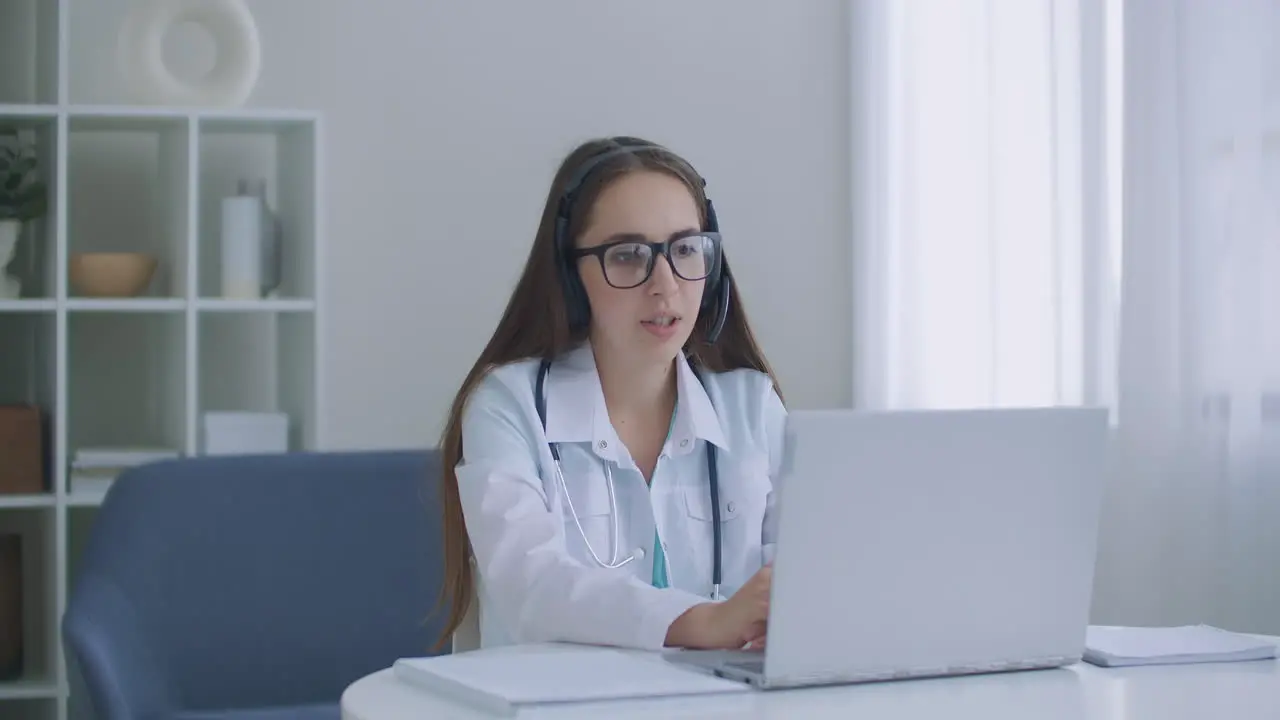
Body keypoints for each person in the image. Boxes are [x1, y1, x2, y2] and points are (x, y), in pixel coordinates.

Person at [432, 136, 787, 654]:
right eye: (627, 256)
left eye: (686, 249)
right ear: (570, 277)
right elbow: (532, 588)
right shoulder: (507, 405)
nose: (665, 284)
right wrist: (703, 622)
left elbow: (804, 578)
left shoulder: (753, 408)